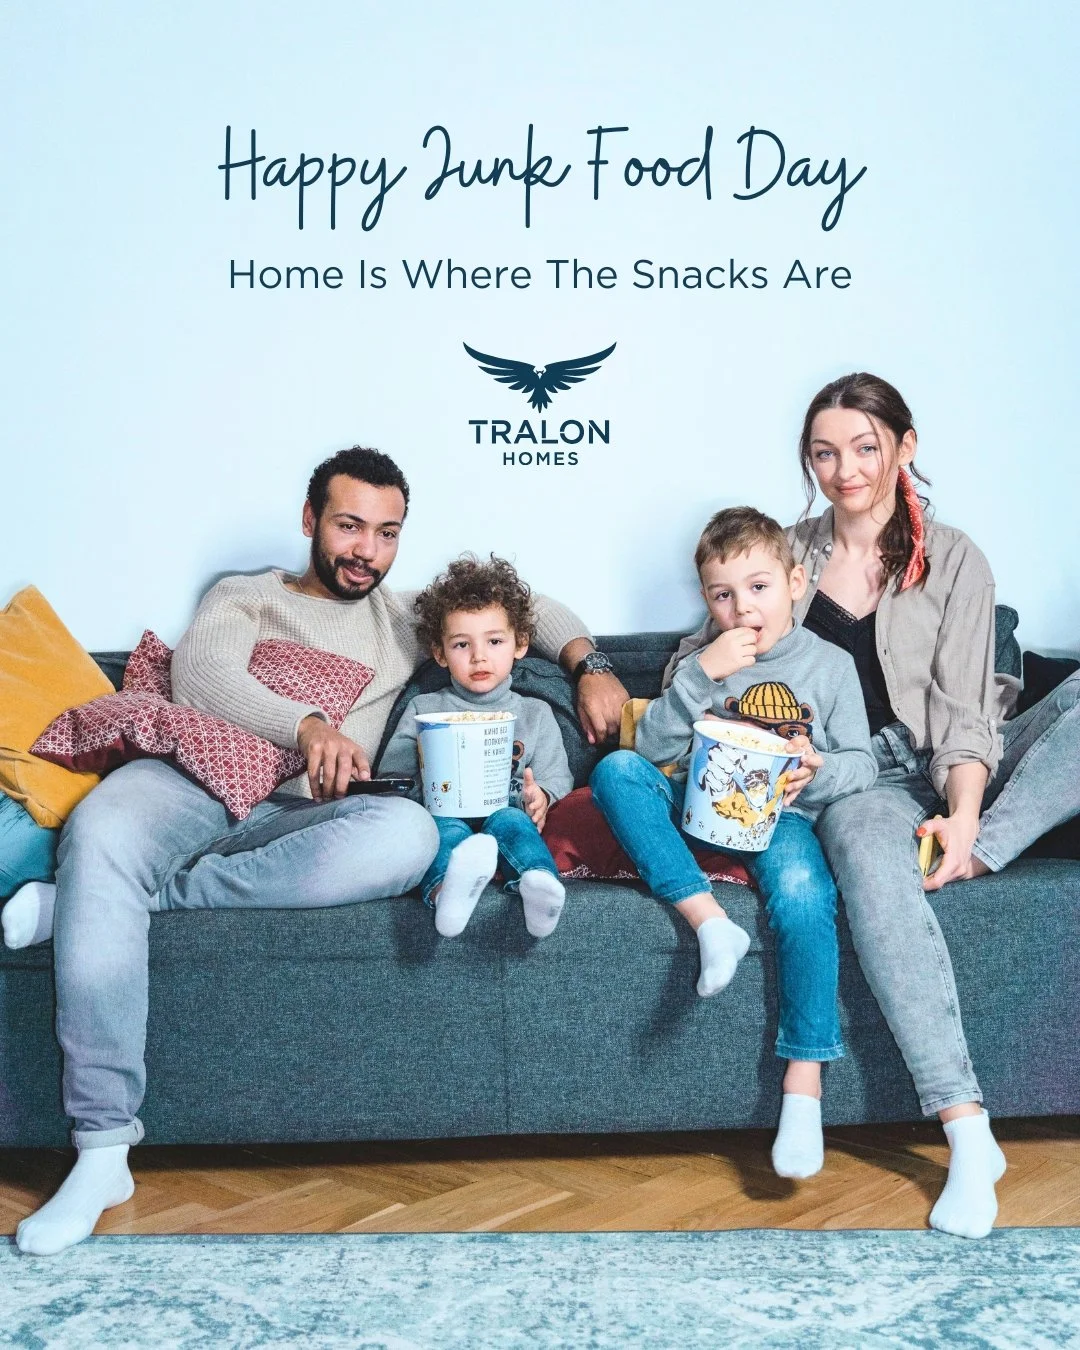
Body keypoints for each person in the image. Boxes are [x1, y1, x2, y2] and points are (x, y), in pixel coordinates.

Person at [13, 446, 628, 1256]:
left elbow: (529, 608)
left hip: (304, 818)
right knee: (102, 835)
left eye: (386, 533)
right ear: (311, 521)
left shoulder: (401, 619)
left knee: (409, 834)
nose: (365, 550)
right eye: (348, 526)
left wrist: (592, 666)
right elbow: (201, 672)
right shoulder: (244, 596)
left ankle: (123, 902)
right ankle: (101, 1150)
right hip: (188, 780)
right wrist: (308, 727)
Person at [667, 372, 1080, 1238]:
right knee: (863, 852)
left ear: (905, 447)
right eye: (824, 451)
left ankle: (981, 849)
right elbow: (712, 643)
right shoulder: (789, 550)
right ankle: (969, 1132)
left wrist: (967, 820)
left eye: (864, 446)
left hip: (965, 762)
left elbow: (970, 715)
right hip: (862, 782)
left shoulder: (958, 557)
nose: (845, 468)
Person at [590, 507, 875, 1179]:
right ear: (706, 601)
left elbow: (864, 764)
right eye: (723, 595)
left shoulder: (830, 667)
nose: (741, 608)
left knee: (807, 897)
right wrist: (701, 675)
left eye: (758, 587)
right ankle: (710, 922)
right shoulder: (698, 659)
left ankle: (803, 1092)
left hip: (781, 821)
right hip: (696, 809)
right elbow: (652, 751)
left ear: (796, 582)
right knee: (615, 772)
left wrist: (819, 767)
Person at [380, 555, 574, 938]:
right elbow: (393, 776)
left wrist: (542, 798)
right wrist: (421, 795)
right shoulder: (425, 708)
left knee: (514, 824)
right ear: (440, 654)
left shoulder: (534, 714)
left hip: (506, 808)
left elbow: (556, 775)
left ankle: (539, 885)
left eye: (495, 641)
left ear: (520, 644)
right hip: (443, 813)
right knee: (442, 833)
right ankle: (445, 894)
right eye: (461, 644)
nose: (479, 656)